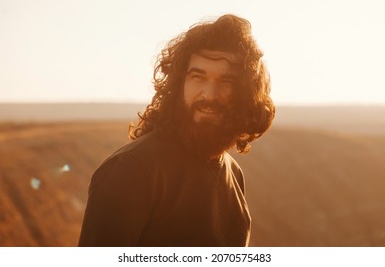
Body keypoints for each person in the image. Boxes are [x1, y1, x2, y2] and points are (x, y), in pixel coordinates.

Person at [78, 14, 275, 247]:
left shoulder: (233, 172)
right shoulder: (133, 169)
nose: (209, 95)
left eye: (226, 81)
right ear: (178, 84)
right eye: (198, 77)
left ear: (246, 92)